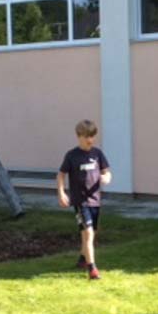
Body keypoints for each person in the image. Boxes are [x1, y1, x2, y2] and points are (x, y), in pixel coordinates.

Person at [57, 119, 112, 281]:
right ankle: (92, 269)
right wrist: (61, 193)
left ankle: (82, 258)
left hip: (95, 200)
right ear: (79, 136)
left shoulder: (97, 154)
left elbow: (107, 172)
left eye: (92, 136)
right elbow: (60, 175)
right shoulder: (72, 155)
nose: (90, 140)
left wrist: (106, 178)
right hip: (80, 202)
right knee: (88, 233)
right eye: (87, 136)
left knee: (91, 233)